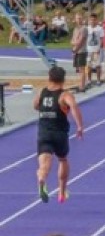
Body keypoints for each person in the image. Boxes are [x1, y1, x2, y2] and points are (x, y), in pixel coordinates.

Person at [35, 65, 85, 204]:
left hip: (44, 133)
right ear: (63, 80)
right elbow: (74, 107)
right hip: (59, 134)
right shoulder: (65, 95)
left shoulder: (42, 92)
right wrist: (80, 126)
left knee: (44, 164)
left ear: (49, 78)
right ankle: (62, 192)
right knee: (62, 159)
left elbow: (35, 106)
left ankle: (41, 178)